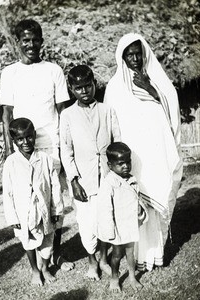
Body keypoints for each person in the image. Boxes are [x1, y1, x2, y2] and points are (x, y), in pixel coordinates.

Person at [0, 19, 74, 271]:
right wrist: (11, 151)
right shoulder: (10, 73)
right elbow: (7, 115)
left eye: (35, 39)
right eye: (25, 40)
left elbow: (63, 111)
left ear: (41, 41)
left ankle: (57, 255)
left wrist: (65, 147)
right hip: (22, 147)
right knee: (28, 202)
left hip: (51, 144)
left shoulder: (54, 70)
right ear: (18, 43)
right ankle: (38, 257)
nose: (31, 45)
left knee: (55, 201)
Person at [104, 33, 183, 271]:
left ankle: (154, 255)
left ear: (145, 52)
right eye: (129, 54)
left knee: (154, 199)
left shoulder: (159, 80)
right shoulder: (115, 87)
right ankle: (134, 258)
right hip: (130, 157)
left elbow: (171, 111)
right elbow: (111, 122)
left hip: (155, 154)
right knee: (131, 203)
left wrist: (149, 87)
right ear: (122, 57)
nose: (135, 58)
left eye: (138, 52)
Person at [60, 65, 121, 280]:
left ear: (94, 83)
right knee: (86, 224)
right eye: (78, 88)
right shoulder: (67, 115)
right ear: (71, 89)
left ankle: (104, 258)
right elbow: (66, 151)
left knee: (106, 219)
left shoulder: (107, 110)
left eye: (88, 86)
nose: (84, 91)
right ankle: (92, 261)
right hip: (83, 179)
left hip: (106, 176)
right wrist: (74, 181)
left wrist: (116, 175)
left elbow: (116, 143)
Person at [2, 118, 64, 286]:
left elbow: (55, 185)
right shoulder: (11, 162)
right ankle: (35, 270)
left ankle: (44, 267)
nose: (25, 142)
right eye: (20, 139)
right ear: (14, 141)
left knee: (47, 238)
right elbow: (7, 193)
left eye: (29, 137)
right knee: (27, 239)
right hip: (24, 211)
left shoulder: (45, 159)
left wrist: (56, 210)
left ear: (35, 136)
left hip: (43, 208)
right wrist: (13, 218)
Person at [97, 142, 148, 293]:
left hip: (130, 225)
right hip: (117, 228)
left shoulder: (132, 179)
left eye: (128, 162)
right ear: (110, 165)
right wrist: (109, 231)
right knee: (117, 255)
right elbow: (105, 210)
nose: (125, 166)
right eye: (121, 163)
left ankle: (132, 277)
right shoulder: (108, 183)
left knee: (130, 253)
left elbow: (137, 200)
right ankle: (114, 278)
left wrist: (140, 214)